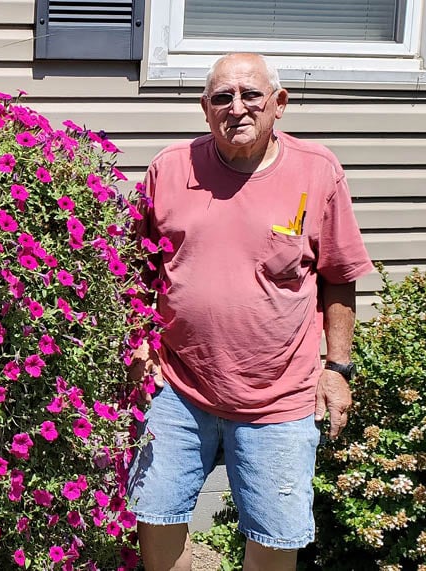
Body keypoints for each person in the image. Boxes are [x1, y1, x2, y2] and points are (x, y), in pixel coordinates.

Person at [127, 52, 373, 571]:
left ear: (278, 104)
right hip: (178, 385)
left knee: (275, 537)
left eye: (251, 95)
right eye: (222, 97)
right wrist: (139, 345)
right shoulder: (169, 169)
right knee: (155, 514)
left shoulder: (317, 171)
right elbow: (135, 271)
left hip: (279, 396)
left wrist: (338, 369)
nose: (236, 108)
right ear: (204, 108)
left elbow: (339, 277)